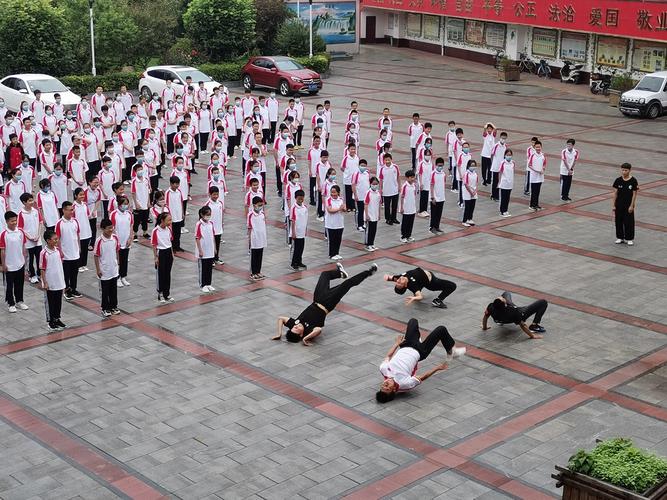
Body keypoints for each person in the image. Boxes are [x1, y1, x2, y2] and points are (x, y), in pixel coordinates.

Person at [273, 263, 378, 346]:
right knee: (347, 284)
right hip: (328, 303)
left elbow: (280, 318)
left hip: (317, 298)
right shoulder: (309, 330)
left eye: (293, 327)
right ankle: (369, 272)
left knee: (324, 275)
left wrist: (279, 334)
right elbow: (318, 330)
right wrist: (306, 338)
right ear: (301, 334)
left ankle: (340, 273)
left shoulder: (294, 323)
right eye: (297, 329)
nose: (296, 326)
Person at [376, 318, 466, 403]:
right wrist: (437, 368)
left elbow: (388, 356)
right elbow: (423, 377)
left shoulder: (383, 370)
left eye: (383, 386)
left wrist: (396, 344)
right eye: (387, 388)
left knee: (413, 321)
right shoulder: (405, 384)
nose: (386, 384)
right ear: (394, 390)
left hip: (406, 345)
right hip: (421, 351)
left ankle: (416, 338)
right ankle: (452, 351)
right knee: (441, 329)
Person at [481, 291, 547, 339]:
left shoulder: (491, 306)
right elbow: (522, 325)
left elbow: (485, 317)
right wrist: (532, 336)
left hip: (499, 318)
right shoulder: (513, 311)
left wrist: (484, 327)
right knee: (543, 302)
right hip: (520, 314)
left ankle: (499, 322)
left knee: (506, 293)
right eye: (502, 299)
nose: (501, 297)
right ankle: (534, 326)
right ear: (505, 304)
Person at [384, 267, 457, 309]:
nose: (398, 281)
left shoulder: (399, 278)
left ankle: (417, 292)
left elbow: (389, 277)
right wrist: (415, 298)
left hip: (421, 282)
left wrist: (386, 277)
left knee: (418, 287)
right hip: (432, 283)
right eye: (399, 283)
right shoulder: (412, 285)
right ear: (405, 286)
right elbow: (420, 296)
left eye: (397, 283)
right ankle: (437, 301)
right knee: (452, 286)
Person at [0, 211, 28, 312]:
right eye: (12, 221)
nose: (14, 222)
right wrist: (3, 264)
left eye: (15, 220)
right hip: (9, 265)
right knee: (9, 285)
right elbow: (2, 251)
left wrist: (24, 261)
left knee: (19, 283)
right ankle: (10, 303)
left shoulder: (20, 232)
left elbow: (23, 247)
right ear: (7, 222)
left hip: (19, 263)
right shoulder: (4, 234)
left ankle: (19, 301)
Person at [40, 229, 66, 331]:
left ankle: (57, 318)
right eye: (54, 239)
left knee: (58, 302)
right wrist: (45, 282)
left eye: (57, 239)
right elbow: (42, 269)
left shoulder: (58, 250)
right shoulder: (44, 253)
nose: (56, 241)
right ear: (48, 240)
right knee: (50, 302)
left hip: (59, 280)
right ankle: (51, 322)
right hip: (50, 283)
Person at [94, 219, 120, 317]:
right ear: (103, 229)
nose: (111, 230)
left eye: (111, 227)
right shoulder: (99, 241)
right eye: (108, 228)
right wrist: (98, 269)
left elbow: (117, 250)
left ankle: (114, 306)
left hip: (113, 268)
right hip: (104, 270)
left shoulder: (115, 238)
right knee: (105, 291)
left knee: (114, 289)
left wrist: (118, 262)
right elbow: (96, 255)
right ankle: (105, 308)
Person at [56, 201, 82, 300]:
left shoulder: (75, 221)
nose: (72, 212)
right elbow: (57, 238)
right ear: (63, 210)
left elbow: (78, 234)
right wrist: (60, 251)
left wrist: (79, 247)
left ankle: (74, 288)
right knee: (66, 273)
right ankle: (66, 290)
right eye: (69, 210)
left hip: (75, 252)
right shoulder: (59, 223)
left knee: (74, 273)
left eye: (72, 210)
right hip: (65, 253)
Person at [18, 193, 42, 283]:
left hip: (37, 239)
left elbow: (40, 222)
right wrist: (30, 237)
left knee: (39, 257)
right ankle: (32, 275)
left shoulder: (35, 211)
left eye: (32, 200)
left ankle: (39, 273)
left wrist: (38, 235)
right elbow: (20, 228)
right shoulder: (21, 214)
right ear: (24, 202)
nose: (32, 202)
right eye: (29, 201)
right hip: (29, 242)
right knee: (30, 259)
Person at [612, 162, 638, 246]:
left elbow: (634, 194)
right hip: (619, 205)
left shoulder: (633, 181)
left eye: (625, 170)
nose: (623, 172)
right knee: (618, 221)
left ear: (630, 170)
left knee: (629, 222)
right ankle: (620, 237)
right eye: (622, 170)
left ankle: (629, 238)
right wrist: (613, 205)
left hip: (628, 205)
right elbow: (615, 193)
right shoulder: (618, 180)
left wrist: (632, 205)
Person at [110, 196, 133, 287]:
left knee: (124, 259)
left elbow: (131, 225)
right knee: (117, 260)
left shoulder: (129, 214)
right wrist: (116, 241)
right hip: (117, 241)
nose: (125, 206)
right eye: (124, 204)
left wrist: (130, 238)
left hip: (126, 240)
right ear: (119, 205)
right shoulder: (114, 214)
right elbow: (112, 228)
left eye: (127, 204)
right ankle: (117, 277)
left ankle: (123, 276)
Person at [151, 212, 174, 303]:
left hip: (168, 252)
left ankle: (166, 293)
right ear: (162, 220)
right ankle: (160, 293)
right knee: (161, 273)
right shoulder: (156, 231)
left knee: (167, 274)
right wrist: (155, 257)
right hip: (161, 253)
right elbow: (154, 245)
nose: (170, 222)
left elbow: (170, 242)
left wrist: (172, 253)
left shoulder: (169, 229)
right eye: (169, 220)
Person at [247, 196, 267, 281]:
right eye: (259, 205)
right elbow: (249, 227)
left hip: (261, 237)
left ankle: (258, 271)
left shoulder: (262, 214)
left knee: (260, 255)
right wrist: (249, 239)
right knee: (254, 256)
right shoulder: (250, 215)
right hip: (254, 238)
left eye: (261, 205)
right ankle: (253, 272)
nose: (260, 207)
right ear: (254, 205)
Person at [324, 185, 345, 260]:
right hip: (331, 224)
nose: (333, 194)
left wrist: (344, 209)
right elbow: (330, 210)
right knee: (332, 240)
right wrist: (339, 209)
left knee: (338, 239)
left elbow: (344, 208)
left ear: (338, 192)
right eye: (332, 192)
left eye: (334, 192)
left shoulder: (341, 199)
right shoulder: (328, 200)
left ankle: (337, 253)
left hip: (339, 223)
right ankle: (332, 254)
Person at [289, 189, 308, 271]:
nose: (300, 200)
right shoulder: (293, 208)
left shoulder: (305, 207)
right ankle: (294, 263)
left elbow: (306, 219)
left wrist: (305, 229)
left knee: (301, 248)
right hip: (296, 232)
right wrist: (293, 232)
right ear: (296, 198)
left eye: (302, 198)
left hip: (302, 231)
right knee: (296, 248)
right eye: (299, 198)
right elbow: (292, 221)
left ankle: (299, 261)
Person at [379, 153, 400, 225]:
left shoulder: (395, 167)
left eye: (388, 160)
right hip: (386, 190)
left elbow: (398, 177)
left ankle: (394, 218)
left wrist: (399, 186)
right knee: (387, 206)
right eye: (386, 160)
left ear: (391, 159)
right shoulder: (382, 169)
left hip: (394, 189)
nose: (387, 161)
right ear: (384, 160)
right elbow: (381, 180)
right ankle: (388, 219)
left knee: (394, 205)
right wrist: (380, 189)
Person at [429, 157, 447, 234]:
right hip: (435, 197)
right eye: (439, 165)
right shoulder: (433, 174)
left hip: (441, 197)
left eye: (442, 165)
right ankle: (432, 227)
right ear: (436, 165)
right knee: (434, 213)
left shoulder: (443, 174)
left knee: (439, 213)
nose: (440, 167)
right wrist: (432, 197)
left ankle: (437, 226)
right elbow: (432, 185)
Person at [399, 170, 417, 243]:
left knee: (410, 222)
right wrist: (401, 207)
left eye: (413, 177)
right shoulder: (405, 186)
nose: (412, 179)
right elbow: (402, 197)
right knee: (405, 222)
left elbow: (414, 195)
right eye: (411, 177)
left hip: (412, 207)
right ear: (407, 178)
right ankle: (403, 236)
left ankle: (409, 235)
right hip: (406, 207)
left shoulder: (414, 185)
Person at [528, 140, 546, 211]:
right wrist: (537, 170)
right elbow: (529, 165)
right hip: (534, 176)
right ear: (534, 147)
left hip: (540, 176)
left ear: (541, 147)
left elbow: (544, 164)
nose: (538, 148)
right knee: (534, 191)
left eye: (539, 147)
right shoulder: (532, 155)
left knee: (538, 191)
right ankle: (532, 205)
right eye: (537, 147)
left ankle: (536, 204)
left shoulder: (543, 155)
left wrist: (543, 170)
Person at [498, 149, 515, 217]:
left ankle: (506, 210)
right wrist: (499, 182)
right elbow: (500, 173)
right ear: (505, 155)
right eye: (507, 155)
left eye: (510, 155)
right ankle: (502, 211)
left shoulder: (513, 163)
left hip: (510, 183)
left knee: (507, 198)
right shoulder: (503, 163)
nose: (509, 156)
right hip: (504, 183)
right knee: (503, 197)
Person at [462, 159, 479, 227]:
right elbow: (466, 184)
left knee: (472, 206)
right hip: (467, 192)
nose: (473, 167)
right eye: (472, 165)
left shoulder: (475, 174)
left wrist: (475, 191)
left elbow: (476, 183)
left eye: (474, 165)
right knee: (467, 207)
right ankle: (464, 220)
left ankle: (469, 218)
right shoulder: (466, 174)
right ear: (468, 166)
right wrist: (470, 192)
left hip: (473, 192)